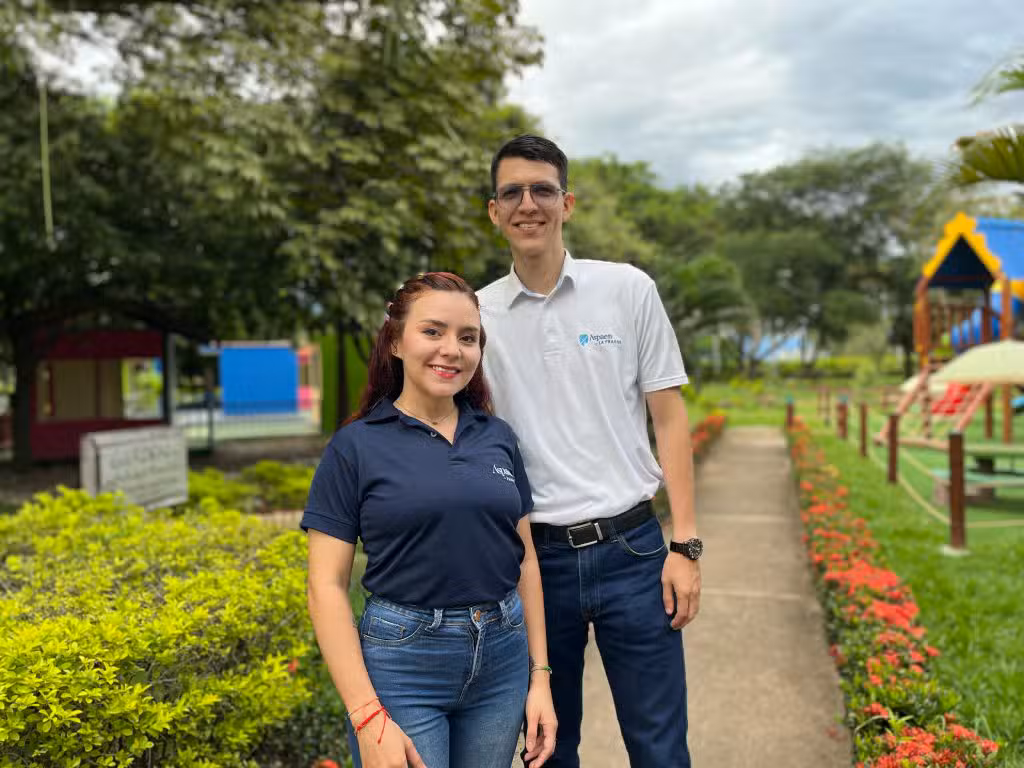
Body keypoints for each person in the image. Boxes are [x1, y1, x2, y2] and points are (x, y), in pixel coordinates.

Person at [478, 136, 702, 768]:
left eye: (542, 190)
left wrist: (685, 545)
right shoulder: (477, 317)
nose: (528, 204)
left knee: (660, 749)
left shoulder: (627, 290)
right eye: (512, 192)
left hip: (635, 553)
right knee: (548, 750)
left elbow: (669, 417)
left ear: (567, 203)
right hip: (534, 564)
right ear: (494, 211)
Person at [303, 272, 557, 768]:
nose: (451, 350)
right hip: (402, 665)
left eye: (468, 337)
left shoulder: (497, 436)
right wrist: (366, 714)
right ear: (396, 342)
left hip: (502, 659)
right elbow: (325, 586)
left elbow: (525, 560)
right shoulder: (355, 447)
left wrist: (540, 678)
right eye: (432, 331)